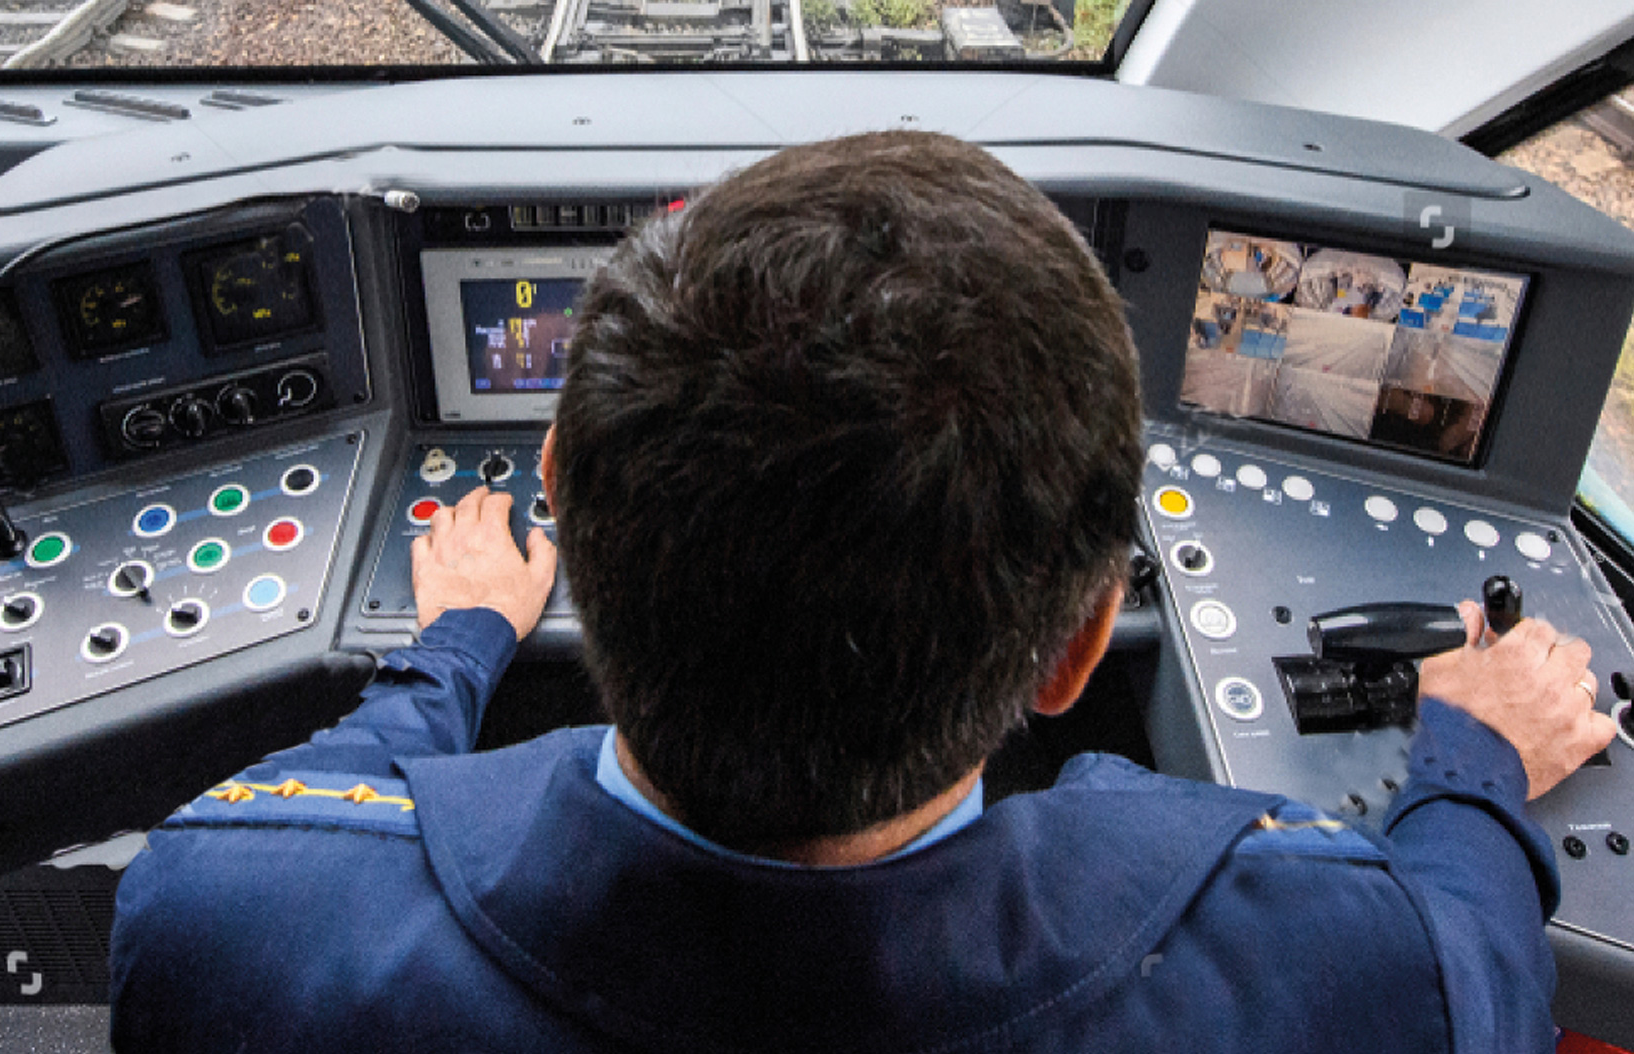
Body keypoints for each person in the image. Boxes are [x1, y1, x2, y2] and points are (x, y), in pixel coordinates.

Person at [110, 131, 1616, 1053]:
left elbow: (303, 812)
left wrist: (447, 647)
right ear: (1079, 638)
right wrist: (1472, 760)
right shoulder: (1342, 978)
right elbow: (1471, 960)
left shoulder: (229, 923)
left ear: (557, 487)